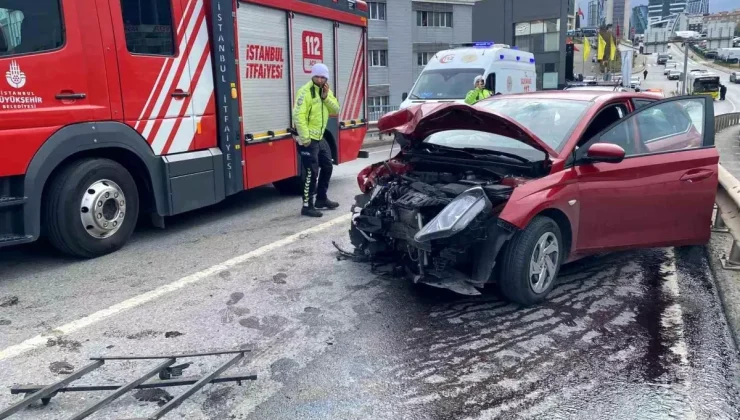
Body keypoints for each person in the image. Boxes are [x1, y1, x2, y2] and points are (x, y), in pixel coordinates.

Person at [293, 63, 341, 218]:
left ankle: (321, 199)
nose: (320, 79)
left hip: (320, 138)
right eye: (317, 76)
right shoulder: (305, 92)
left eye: (323, 77)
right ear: (312, 76)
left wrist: (326, 97)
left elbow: (336, 109)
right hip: (308, 139)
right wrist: (305, 138)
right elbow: (298, 116)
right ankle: (307, 206)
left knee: (327, 166)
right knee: (311, 172)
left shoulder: (326, 91)